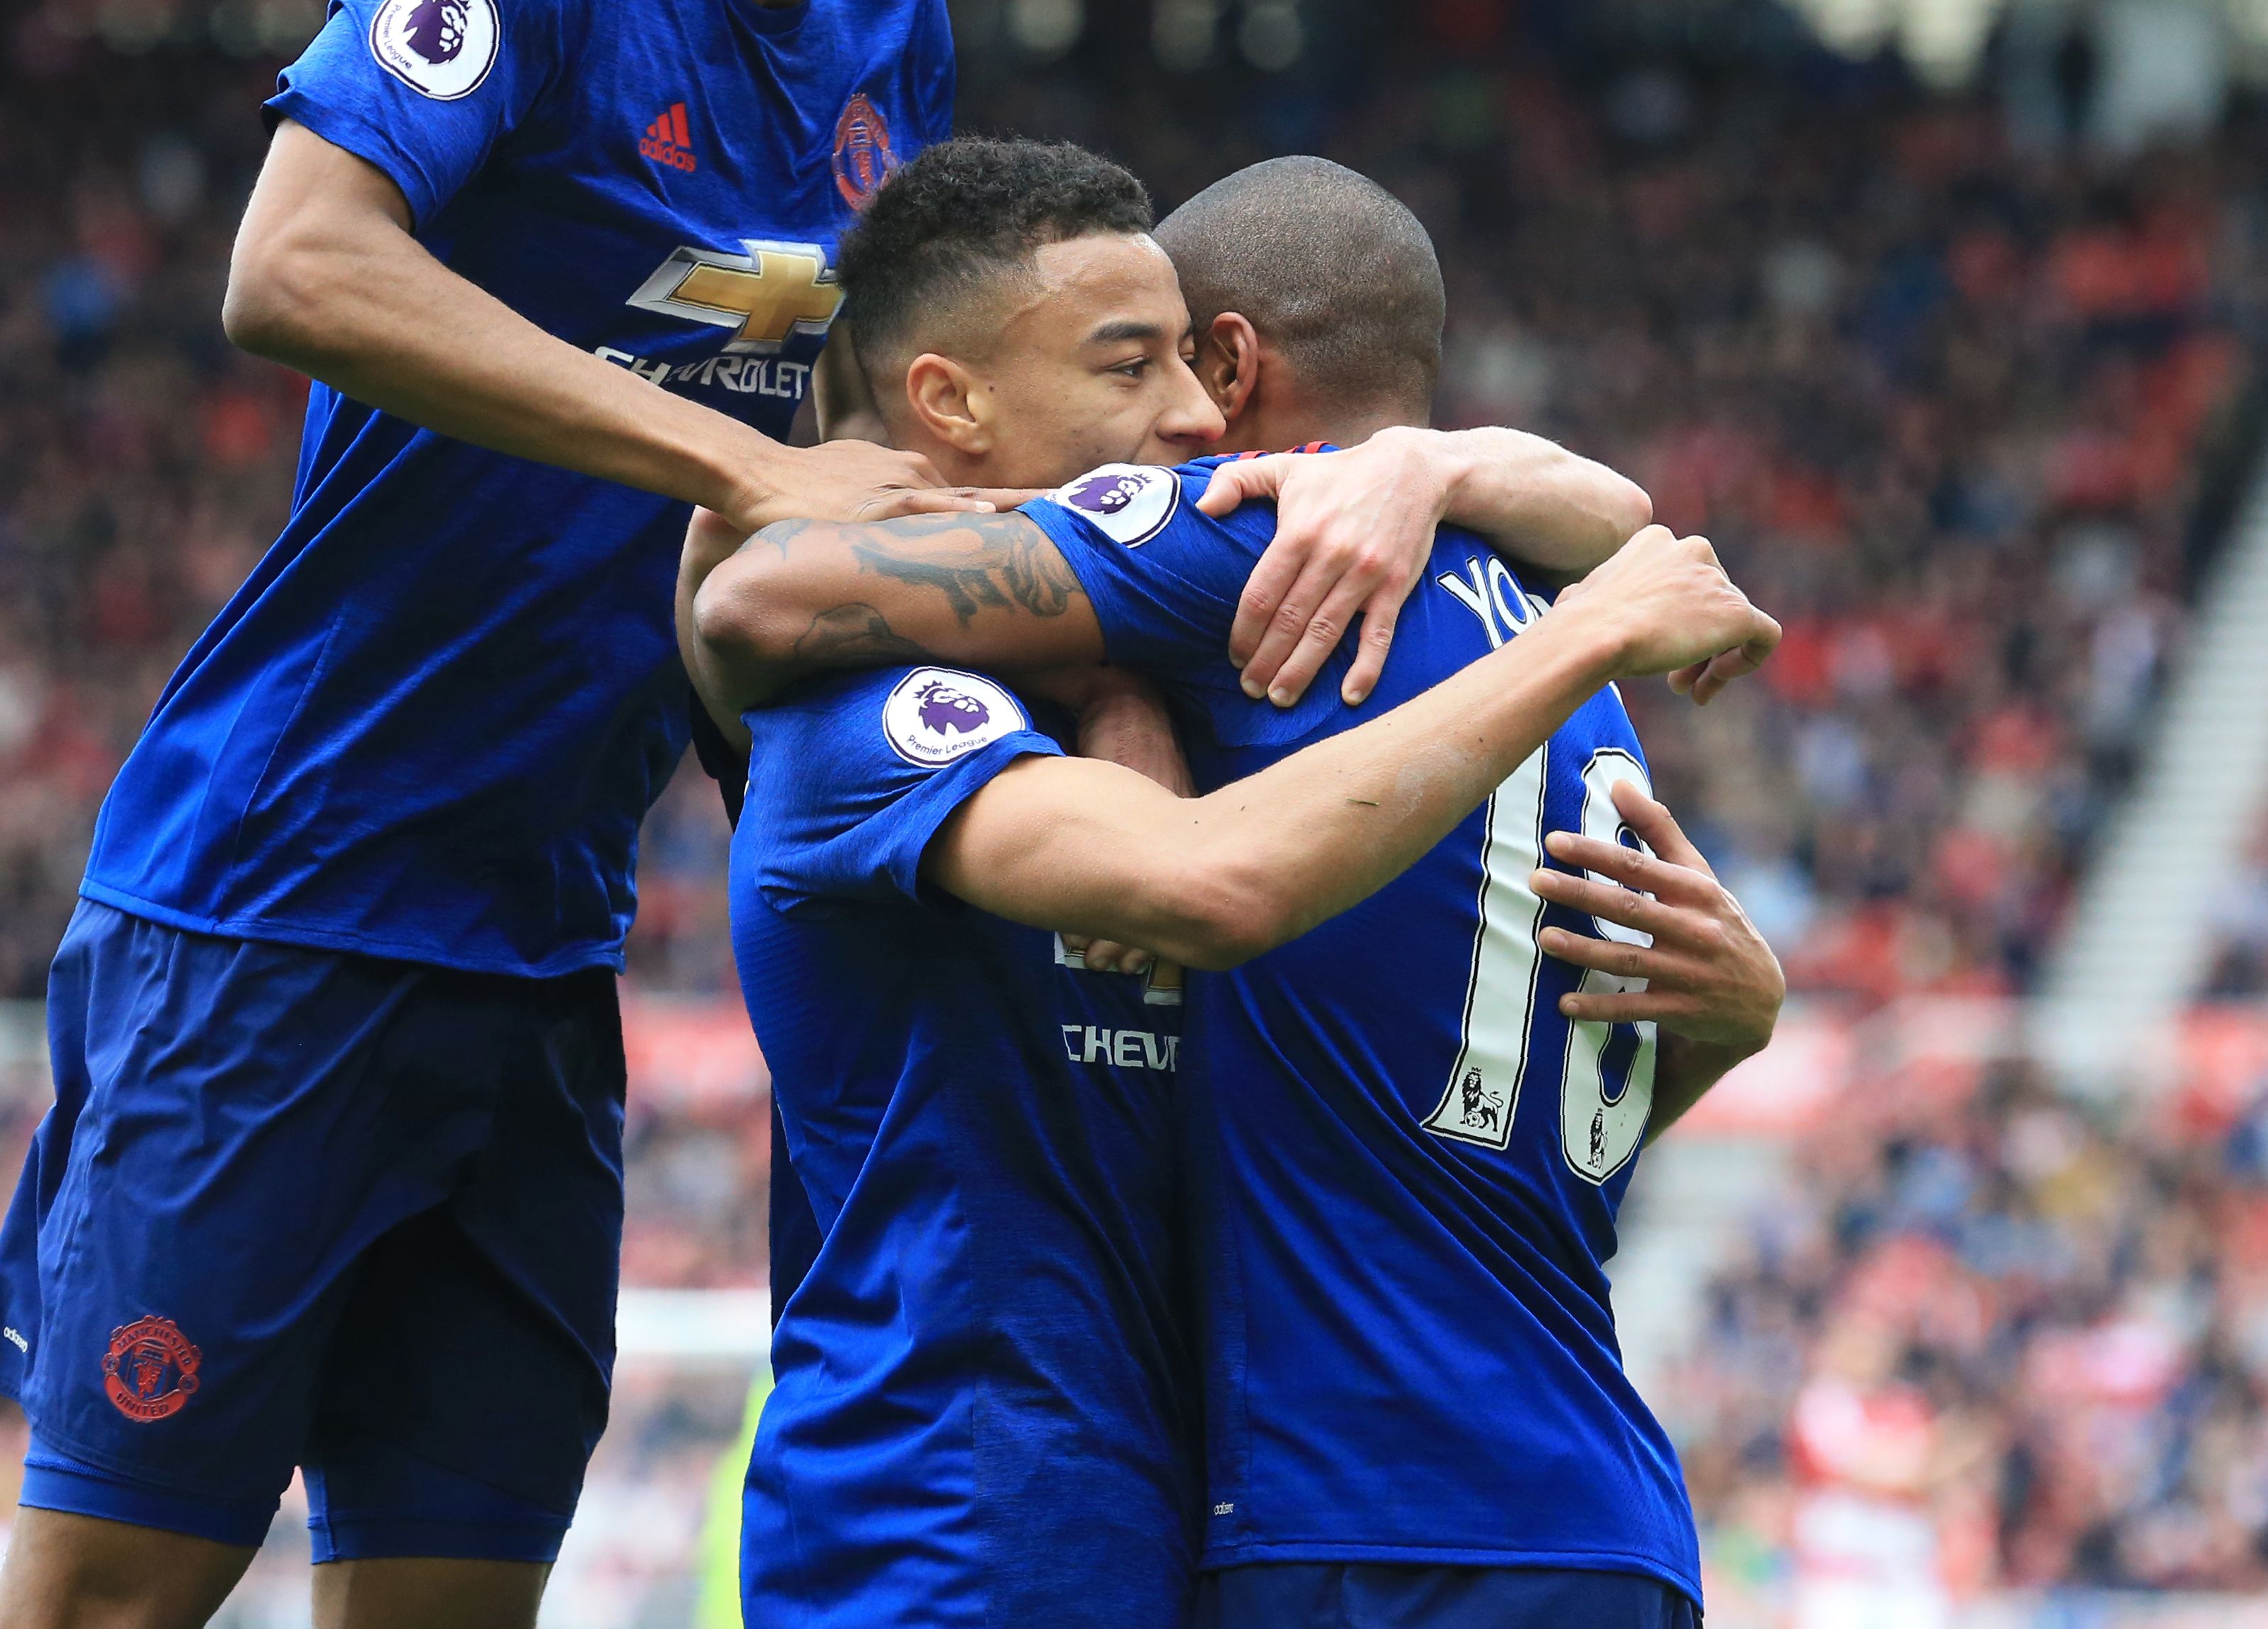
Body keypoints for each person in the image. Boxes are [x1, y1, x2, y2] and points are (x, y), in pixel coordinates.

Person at [0, 0, 1416, 1629]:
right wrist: (748, 473)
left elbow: (904, 431)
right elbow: (295, 265)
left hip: (540, 947)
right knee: (110, 1593)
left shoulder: (877, 36)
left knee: (455, 1600)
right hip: (280, 901)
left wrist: (1093, 699)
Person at [678, 137, 1777, 1628]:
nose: (1186, 419)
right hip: (966, 1537)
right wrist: (1487, 522)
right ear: (948, 402)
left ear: (1245, 363)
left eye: (1189, 365)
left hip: (1315, 1529)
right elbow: (747, 600)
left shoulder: (1246, 586)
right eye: (1132, 366)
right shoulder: (882, 721)